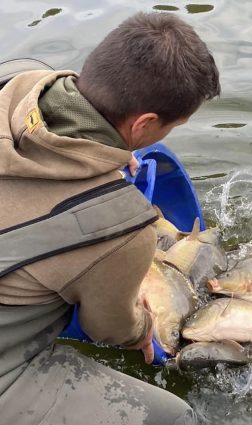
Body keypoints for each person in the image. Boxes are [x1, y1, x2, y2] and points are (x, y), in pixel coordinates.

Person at [0, 12, 220, 425]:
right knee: (174, 417)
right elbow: (109, 329)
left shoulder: (14, 78)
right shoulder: (119, 226)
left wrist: (112, 153)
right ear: (144, 124)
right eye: (171, 127)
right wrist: (143, 333)